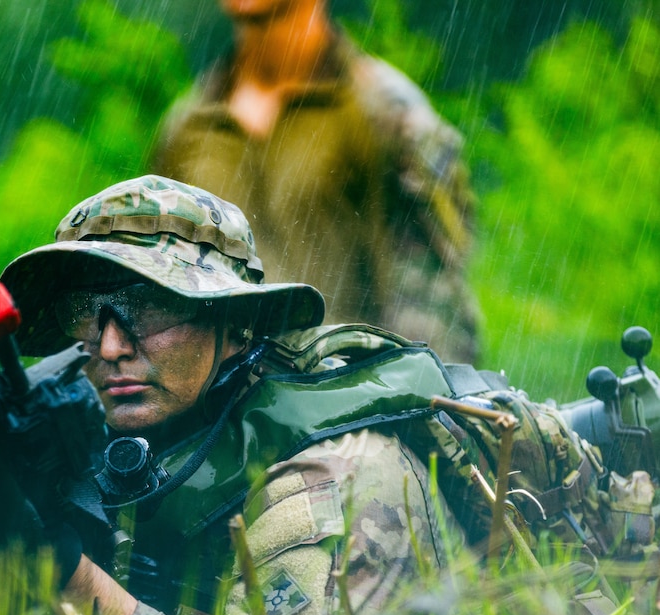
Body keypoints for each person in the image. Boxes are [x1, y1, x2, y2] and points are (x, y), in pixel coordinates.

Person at [0, 175, 473, 615]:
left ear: (234, 326)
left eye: (147, 308)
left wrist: (66, 573)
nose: (109, 345)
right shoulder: (90, 463)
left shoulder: (333, 474)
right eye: (85, 313)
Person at [152, 0, 482, 364]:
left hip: (347, 407)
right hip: (215, 412)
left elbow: (435, 322)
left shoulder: (388, 118)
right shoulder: (184, 131)